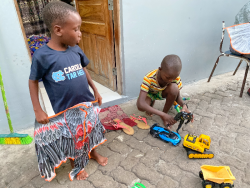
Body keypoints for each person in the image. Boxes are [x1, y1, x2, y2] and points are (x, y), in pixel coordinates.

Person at [29, 1, 107, 181]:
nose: (80, 33)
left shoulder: (75, 49)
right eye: (76, 29)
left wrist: (95, 90)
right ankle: (76, 164)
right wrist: (38, 109)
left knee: (91, 129)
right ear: (58, 30)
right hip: (66, 110)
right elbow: (32, 81)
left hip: (86, 103)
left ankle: (93, 153)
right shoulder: (42, 56)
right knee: (74, 138)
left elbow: (83, 69)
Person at [137, 55, 193, 129]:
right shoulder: (149, 77)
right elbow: (141, 103)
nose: (170, 80)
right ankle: (152, 102)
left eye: (174, 78)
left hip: (161, 93)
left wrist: (184, 105)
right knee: (142, 108)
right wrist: (161, 114)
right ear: (160, 69)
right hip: (150, 93)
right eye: (167, 77)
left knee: (174, 88)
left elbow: (177, 97)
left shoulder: (175, 77)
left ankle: (164, 114)